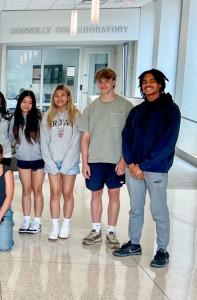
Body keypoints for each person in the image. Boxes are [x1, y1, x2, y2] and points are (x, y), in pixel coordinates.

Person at [113, 69, 181, 268]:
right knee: (135, 209)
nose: (147, 84)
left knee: (158, 210)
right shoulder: (137, 111)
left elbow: (168, 143)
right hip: (134, 169)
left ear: (160, 84)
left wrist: (142, 165)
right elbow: (126, 138)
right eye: (144, 81)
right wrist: (132, 164)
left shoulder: (171, 109)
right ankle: (134, 244)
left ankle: (162, 250)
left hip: (156, 169)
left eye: (152, 81)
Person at [78, 68, 134, 248]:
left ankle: (111, 232)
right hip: (94, 160)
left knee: (114, 194)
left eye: (107, 81)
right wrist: (84, 162)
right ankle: (96, 230)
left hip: (116, 160)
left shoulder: (126, 107)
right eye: (100, 82)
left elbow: (130, 137)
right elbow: (85, 138)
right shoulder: (90, 109)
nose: (103, 85)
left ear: (114, 82)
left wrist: (124, 160)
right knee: (95, 194)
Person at [40, 84, 81, 241]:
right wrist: (50, 164)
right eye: (56, 95)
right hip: (52, 163)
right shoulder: (48, 116)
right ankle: (55, 226)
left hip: (69, 163)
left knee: (68, 193)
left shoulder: (76, 116)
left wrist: (65, 166)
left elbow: (76, 143)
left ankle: (66, 226)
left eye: (62, 95)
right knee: (55, 193)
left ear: (68, 97)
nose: (59, 98)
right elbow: (44, 142)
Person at [9, 91, 44, 234]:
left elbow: (44, 139)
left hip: (38, 159)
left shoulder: (38, 118)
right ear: (19, 103)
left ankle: (37, 222)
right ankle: (26, 220)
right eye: (24, 102)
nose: (27, 105)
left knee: (37, 191)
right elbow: (11, 138)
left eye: (30, 103)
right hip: (23, 159)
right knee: (26, 191)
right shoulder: (15, 118)